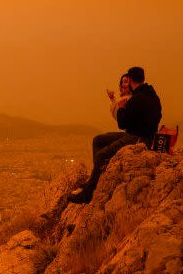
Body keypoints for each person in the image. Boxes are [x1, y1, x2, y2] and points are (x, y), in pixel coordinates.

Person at [68, 66, 162, 204]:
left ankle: (88, 194)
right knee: (99, 140)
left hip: (138, 138)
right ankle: (97, 178)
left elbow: (122, 123)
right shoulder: (152, 95)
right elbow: (157, 116)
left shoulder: (137, 98)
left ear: (129, 80)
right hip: (141, 135)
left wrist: (121, 108)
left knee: (101, 155)